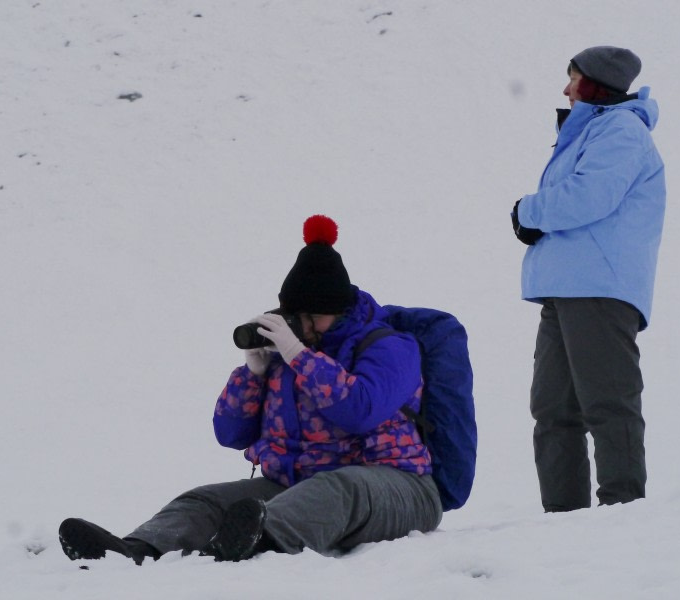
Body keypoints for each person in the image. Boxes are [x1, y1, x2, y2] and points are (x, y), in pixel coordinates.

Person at [58, 215, 442, 564]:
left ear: (339, 310)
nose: (305, 327)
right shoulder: (286, 358)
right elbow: (230, 433)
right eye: (298, 316)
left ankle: (247, 546)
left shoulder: (391, 346)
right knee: (208, 499)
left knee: (338, 487)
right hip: (301, 486)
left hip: (400, 488)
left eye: (315, 317)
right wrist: (253, 374)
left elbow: (360, 411)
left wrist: (299, 356)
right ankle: (136, 551)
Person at [511, 46, 666, 512]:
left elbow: (589, 196)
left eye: (572, 77)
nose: (565, 88)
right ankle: (564, 520)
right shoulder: (593, 130)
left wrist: (528, 211)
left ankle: (623, 511)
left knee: (607, 402)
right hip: (567, 287)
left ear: (595, 83)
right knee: (553, 410)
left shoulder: (620, 130)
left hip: (598, 286)